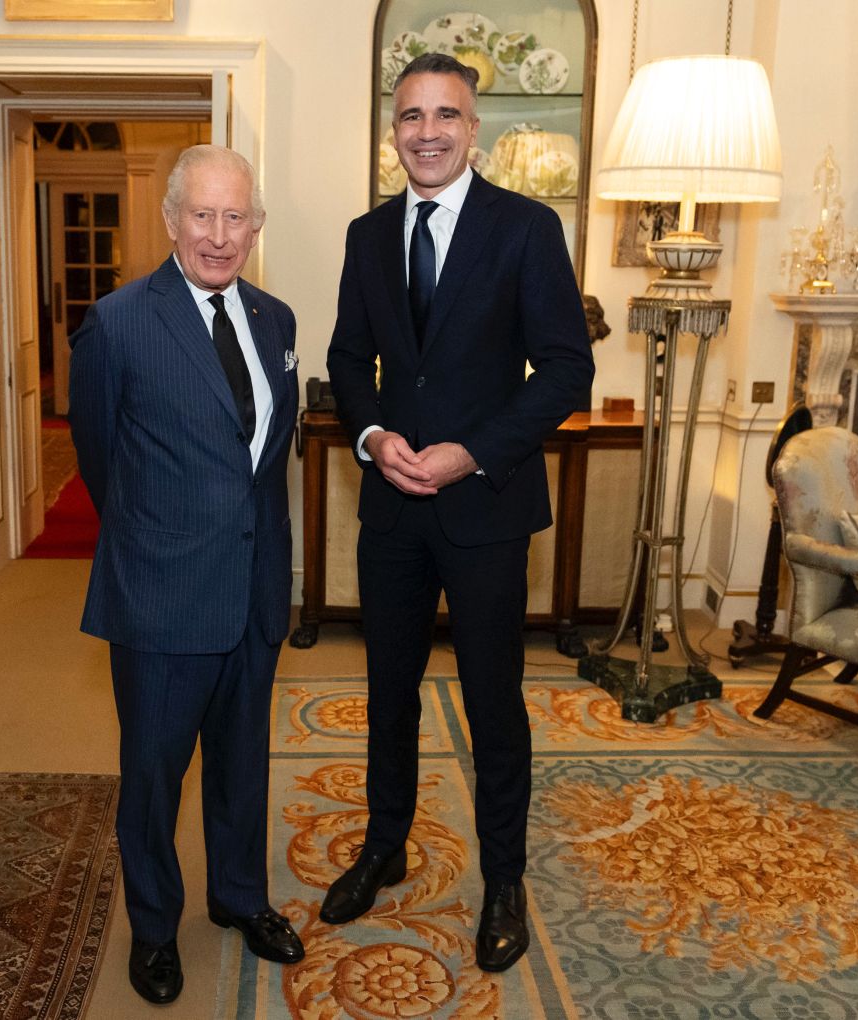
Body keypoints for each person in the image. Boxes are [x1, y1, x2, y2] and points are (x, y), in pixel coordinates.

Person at [323, 52, 595, 973]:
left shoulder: (526, 228)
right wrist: (370, 440)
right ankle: (385, 844)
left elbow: (566, 368)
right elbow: (349, 361)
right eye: (411, 116)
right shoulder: (366, 236)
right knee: (387, 693)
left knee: (492, 703)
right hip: (394, 511)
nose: (427, 132)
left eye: (446, 115)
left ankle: (505, 878)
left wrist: (471, 449)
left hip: (485, 509)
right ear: (392, 130)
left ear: (473, 129)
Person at [68, 144, 303, 1005]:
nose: (218, 234)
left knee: (244, 764)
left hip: (254, 591)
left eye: (234, 216)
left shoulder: (276, 321)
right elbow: (99, 461)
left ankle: (239, 898)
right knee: (155, 776)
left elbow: (265, 463)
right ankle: (157, 929)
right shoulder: (121, 321)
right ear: (170, 221)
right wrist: (160, 540)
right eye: (201, 215)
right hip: (163, 595)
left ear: (256, 225)